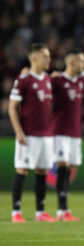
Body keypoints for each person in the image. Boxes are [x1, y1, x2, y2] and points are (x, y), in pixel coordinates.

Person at [9, 43, 56, 223]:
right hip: (28, 135)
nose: (49, 59)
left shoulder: (48, 79)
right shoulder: (23, 80)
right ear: (35, 58)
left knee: (42, 172)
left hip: (45, 135)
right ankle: (16, 212)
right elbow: (12, 107)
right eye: (45, 56)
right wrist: (19, 132)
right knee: (22, 171)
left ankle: (40, 212)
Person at [50, 50, 84, 221]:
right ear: (71, 63)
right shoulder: (56, 81)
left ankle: (65, 210)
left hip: (75, 133)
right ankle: (61, 210)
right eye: (81, 61)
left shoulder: (80, 81)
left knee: (68, 169)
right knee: (63, 169)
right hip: (60, 131)